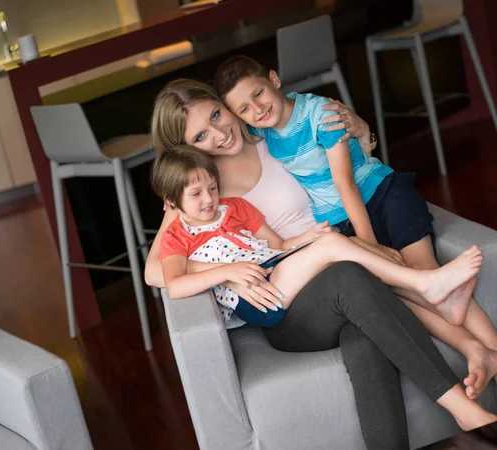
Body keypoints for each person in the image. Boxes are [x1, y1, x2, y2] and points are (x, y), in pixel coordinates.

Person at [145, 78, 497, 448]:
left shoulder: (273, 134)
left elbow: (349, 172)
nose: (219, 133)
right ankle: (462, 402)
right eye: (201, 137)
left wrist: (362, 132)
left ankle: (469, 361)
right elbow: (157, 272)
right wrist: (226, 273)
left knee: (365, 337)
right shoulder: (200, 186)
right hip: (292, 305)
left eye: (216, 114)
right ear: (186, 149)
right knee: (349, 275)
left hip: (329, 257)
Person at [214, 55, 497, 399]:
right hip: (340, 220)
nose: (256, 109)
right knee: (394, 289)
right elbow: (211, 149)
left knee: (422, 269)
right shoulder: (260, 130)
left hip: (381, 195)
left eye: (257, 94)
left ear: (274, 78)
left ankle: (492, 347)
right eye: (243, 109)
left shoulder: (321, 114)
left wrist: (370, 246)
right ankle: (475, 346)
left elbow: (347, 185)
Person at [152, 144, 483, 329]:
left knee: (344, 245)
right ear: (170, 201)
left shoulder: (235, 207)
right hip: (260, 299)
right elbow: (176, 284)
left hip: (275, 269)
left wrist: (307, 237)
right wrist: (227, 272)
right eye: (196, 194)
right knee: (336, 247)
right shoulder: (177, 236)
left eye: (212, 187)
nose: (209, 199)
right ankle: (425, 284)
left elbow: (279, 246)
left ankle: (435, 299)